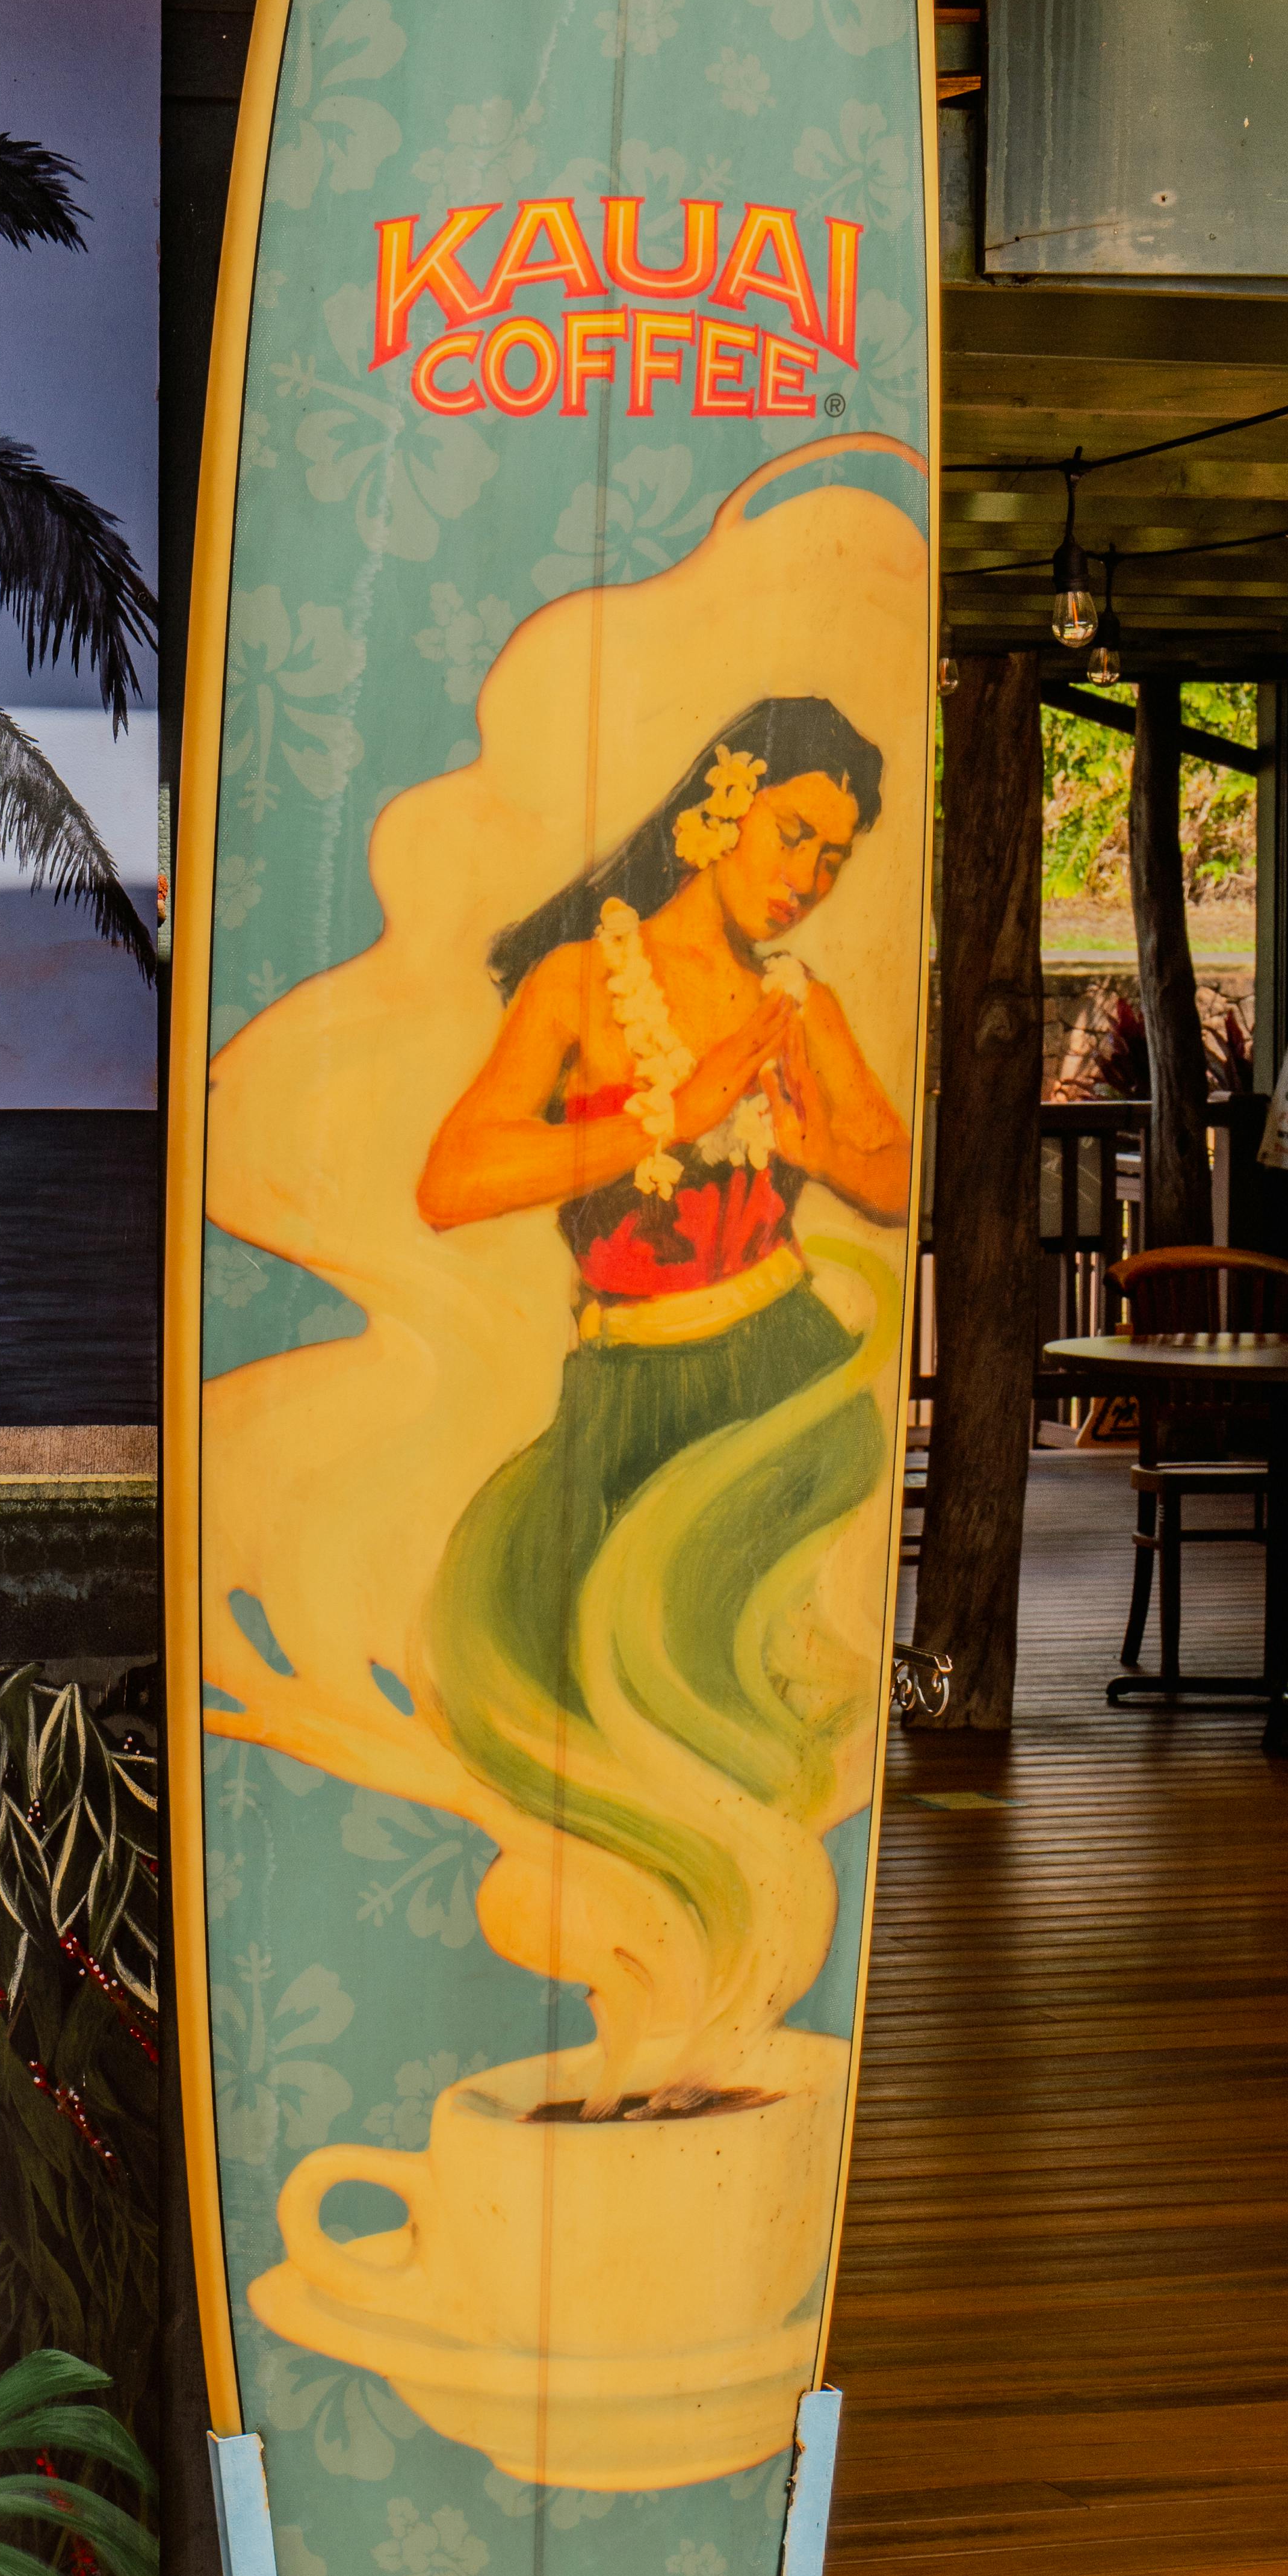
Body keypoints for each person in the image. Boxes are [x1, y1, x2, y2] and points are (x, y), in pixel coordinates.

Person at [414, 701, 911, 2088]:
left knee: (735, 1706)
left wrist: (824, 1141)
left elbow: (890, 1171)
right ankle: (641, 2038)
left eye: (837, 852)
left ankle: (719, 2042)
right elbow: (453, 1181)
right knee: (595, 1711)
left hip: (774, 1380)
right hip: (627, 1388)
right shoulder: (584, 981)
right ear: (721, 803)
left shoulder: (798, 1001)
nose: (811, 870)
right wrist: (665, 1117)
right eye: (797, 830)